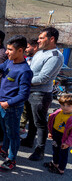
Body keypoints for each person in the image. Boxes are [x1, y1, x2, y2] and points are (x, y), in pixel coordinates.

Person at [0, 35, 33, 171]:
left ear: (20, 50)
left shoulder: (25, 71)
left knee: (13, 135)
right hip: (3, 105)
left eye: (10, 49)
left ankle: (11, 159)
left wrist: (8, 103)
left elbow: (24, 95)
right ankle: (4, 149)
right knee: (6, 131)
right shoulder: (10, 62)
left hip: (12, 108)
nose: (6, 52)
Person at [21, 27, 64, 161]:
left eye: (41, 38)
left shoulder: (55, 56)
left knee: (40, 123)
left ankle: (40, 150)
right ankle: (29, 141)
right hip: (30, 91)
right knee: (32, 120)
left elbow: (43, 78)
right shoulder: (40, 52)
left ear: (51, 39)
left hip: (40, 94)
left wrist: (23, 80)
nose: (38, 40)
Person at [45, 94, 72, 175]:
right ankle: (55, 163)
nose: (65, 107)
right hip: (56, 134)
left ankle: (61, 169)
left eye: (68, 105)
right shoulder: (58, 112)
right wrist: (50, 132)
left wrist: (68, 143)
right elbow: (51, 122)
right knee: (55, 149)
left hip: (65, 138)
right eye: (63, 105)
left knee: (63, 153)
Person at [20, 38, 39, 134]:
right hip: (25, 90)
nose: (25, 49)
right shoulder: (27, 59)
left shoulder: (38, 60)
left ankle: (30, 138)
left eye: (27, 47)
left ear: (35, 47)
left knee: (33, 117)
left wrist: (24, 81)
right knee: (24, 110)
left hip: (34, 91)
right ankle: (21, 127)